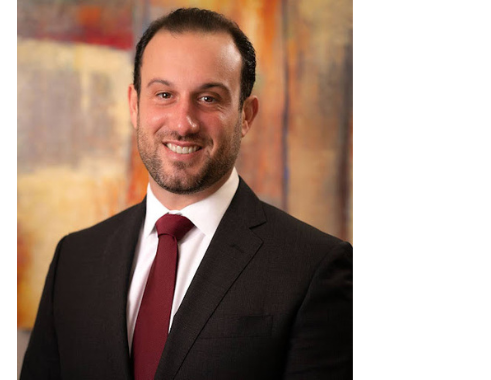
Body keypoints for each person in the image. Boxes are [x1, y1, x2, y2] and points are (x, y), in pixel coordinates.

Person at [20, 7, 352, 380]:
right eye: (164, 94)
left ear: (246, 115)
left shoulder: (313, 267)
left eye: (209, 98)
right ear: (134, 105)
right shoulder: (75, 260)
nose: (182, 123)